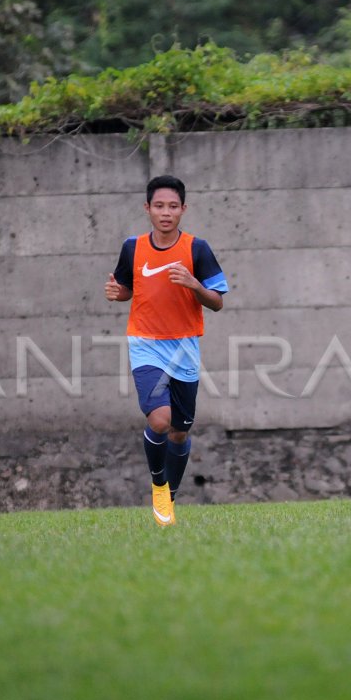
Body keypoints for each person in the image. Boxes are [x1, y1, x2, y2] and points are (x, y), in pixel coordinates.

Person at [105, 175, 229, 527]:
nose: (165, 212)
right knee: (159, 420)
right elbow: (127, 287)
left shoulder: (197, 249)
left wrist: (193, 284)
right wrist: (118, 293)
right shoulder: (132, 247)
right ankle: (158, 484)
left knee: (179, 431)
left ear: (183, 210)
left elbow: (217, 302)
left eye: (173, 206)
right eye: (159, 206)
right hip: (145, 344)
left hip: (184, 348)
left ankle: (169, 498)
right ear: (147, 209)